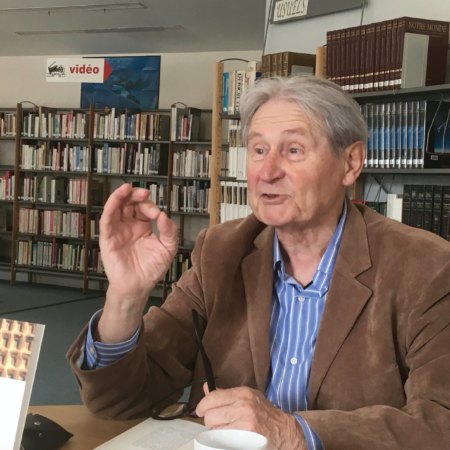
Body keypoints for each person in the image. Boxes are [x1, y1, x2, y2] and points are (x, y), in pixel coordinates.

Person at [67, 75, 450, 450]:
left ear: (350, 163)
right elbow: (120, 401)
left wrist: (294, 432)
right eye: (259, 150)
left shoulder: (425, 267)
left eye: (293, 150)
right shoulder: (221, 250)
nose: (267, 172)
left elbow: (441, 421)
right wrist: (125, 296)